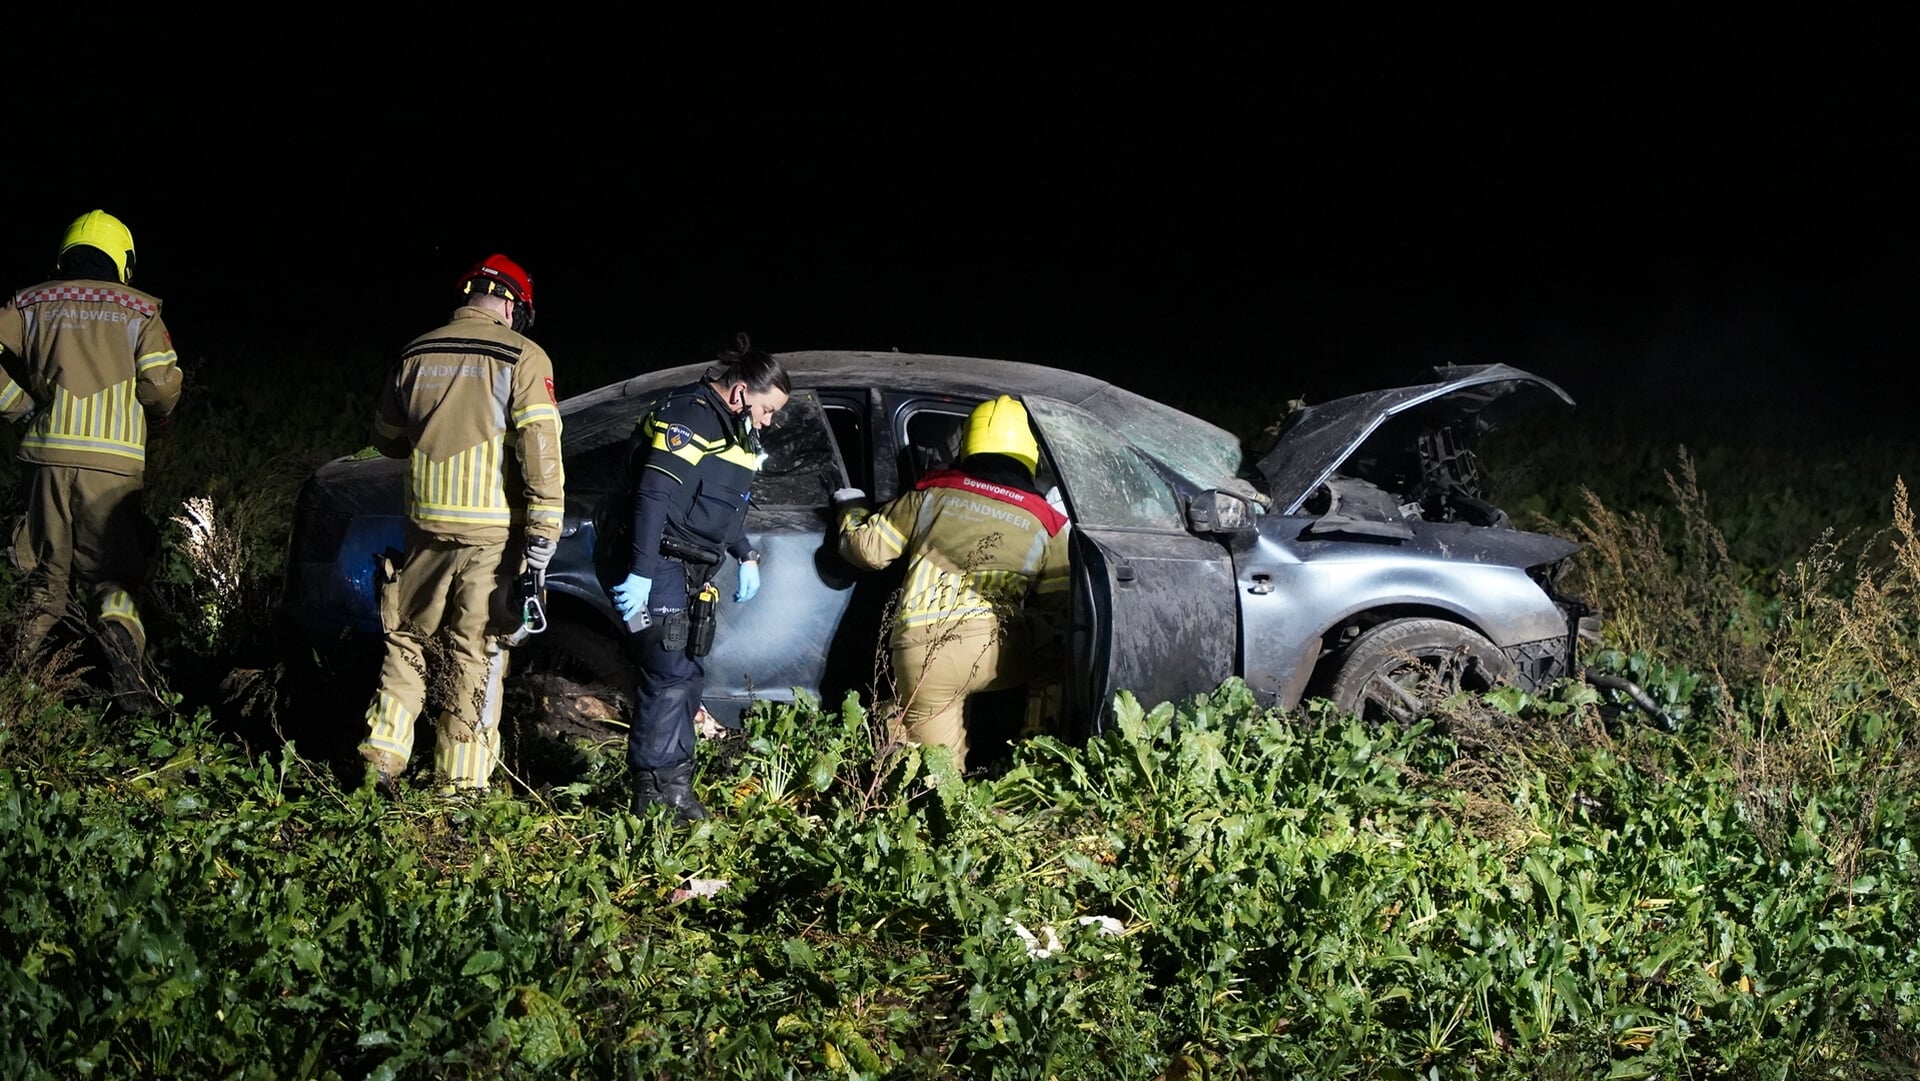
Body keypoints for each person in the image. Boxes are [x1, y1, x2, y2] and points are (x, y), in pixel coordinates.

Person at [356, 254, 564, 796]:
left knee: (406, 641)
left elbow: (384, 436)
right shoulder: (524, 356)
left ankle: (381, 761)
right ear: (515, 306)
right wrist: (542, 537)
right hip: (493, 535)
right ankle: (460, 788)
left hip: (425, 525)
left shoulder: (416, 351)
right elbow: (540, 451)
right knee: (477, 652)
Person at [0, 210, 182, 713]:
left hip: (45, 457)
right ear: (122, 258)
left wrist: (19, 408)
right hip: (114, 463)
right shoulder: (140, 310)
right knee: (113, 575)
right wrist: (159, 415)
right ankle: (124, 660)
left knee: (46, 577)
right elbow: (161, 385)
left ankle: (13, 682)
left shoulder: (30, 301)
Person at [834, 395, 1070, 771]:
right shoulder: (1048, 523)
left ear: (967, 446)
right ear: (1030, 454)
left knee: (937, 778)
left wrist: (851, 508)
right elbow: (1059, 605)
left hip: (924, 651)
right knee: (1061, 648)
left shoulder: (930, 494)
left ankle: (900, 745)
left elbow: (867, 551)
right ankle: (1034, 761)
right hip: (998, 648)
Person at [613, 334, 788, 821]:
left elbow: (727, 502)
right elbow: (652, 496)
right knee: (669, 672)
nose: (768, 421)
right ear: (740, 393)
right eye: (766, 409)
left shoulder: (736, 430)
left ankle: (673, 785)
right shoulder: (688, 417)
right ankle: (654, 794)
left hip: (691, 562)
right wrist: (642, 574)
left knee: (688, 670)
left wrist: (746, 554)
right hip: (657, 556)